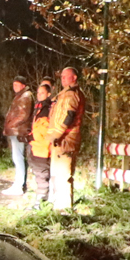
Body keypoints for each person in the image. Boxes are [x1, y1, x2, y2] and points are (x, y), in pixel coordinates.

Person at [50, 66, 87, 210]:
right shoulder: (65, 93)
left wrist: (58, 134)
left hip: (66, 139)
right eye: (61, 77)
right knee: (58, 172)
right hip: (61, 139)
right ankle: (59, 203)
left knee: (63, 173)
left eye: (65, 76)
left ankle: (63, 207)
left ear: (74, 77)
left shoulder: (72, 94)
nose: (62, 79)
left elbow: (69, 116)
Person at [2, 75, 34, 197]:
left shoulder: (25, 96)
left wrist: (10, 125)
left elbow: (23, 115)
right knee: (17, 157)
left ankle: (19, 185)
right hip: (15, 130)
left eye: (17, 84)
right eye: (14, 84)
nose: (14, 87)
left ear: (23, 85)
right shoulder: (20, 96)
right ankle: (18, 184)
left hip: (18, 131)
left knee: (18, 157)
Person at [27, 78, 54, 207]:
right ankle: (41, 200)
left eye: (42, 93)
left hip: (42, 147)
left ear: (49, 94)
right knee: (39, 174)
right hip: (37, 146)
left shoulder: (47, 109)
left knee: (42, 175)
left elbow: (42, 130)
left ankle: (40, 203)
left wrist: (32, 137)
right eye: (38, 93)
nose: (39, 96)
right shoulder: (39, 107)